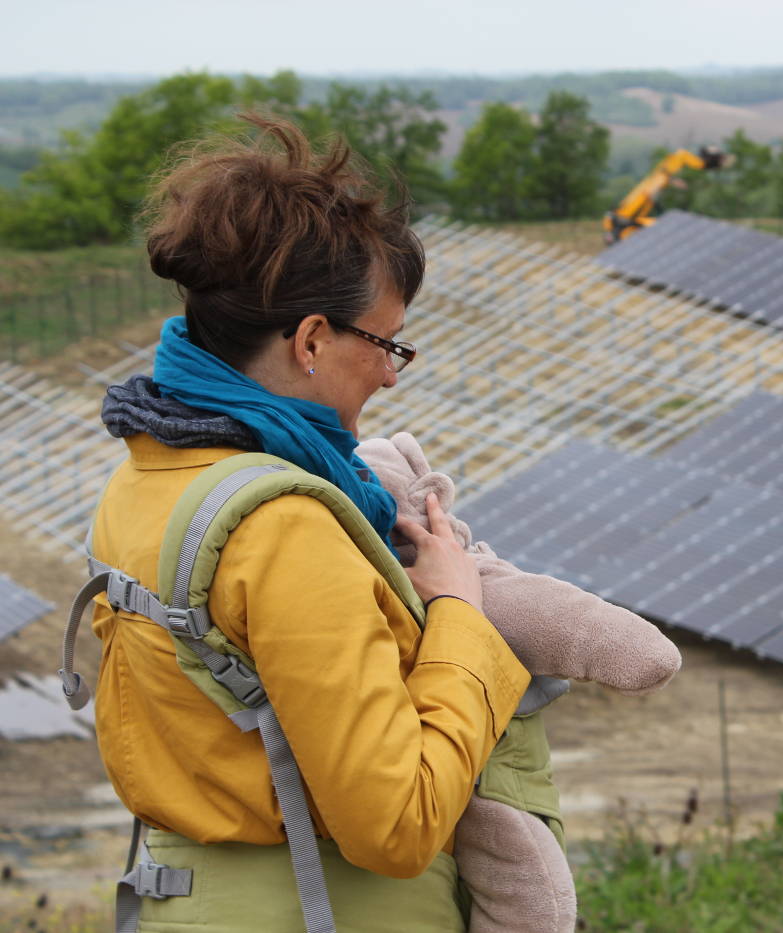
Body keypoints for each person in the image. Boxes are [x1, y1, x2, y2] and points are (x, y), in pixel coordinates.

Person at [90, 114, 530, 931]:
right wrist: (461, 618)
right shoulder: (287, 525)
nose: (392, 379)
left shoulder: (152, 472)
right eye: (388, 345)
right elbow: (395, 822)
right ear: (313, 340)